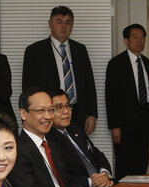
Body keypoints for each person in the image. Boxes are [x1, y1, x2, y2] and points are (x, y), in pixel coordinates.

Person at [21, 6, 97, 134]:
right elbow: (28, 88)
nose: (64, 26)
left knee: (77, 149)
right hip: (49, 113)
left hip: (76, 111)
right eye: (59, 21)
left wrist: (92, 114)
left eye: (68, 22)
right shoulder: (34, 51)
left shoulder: (80, 49)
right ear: (50, 24)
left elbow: (89, 83)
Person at [105, 23, 149, 176]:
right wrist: (115, 126)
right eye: (135, 37)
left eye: (142, 37)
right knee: (124, 162)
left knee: (142, 161)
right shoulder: (116, 64)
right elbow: (111, 97)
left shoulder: (146, 62)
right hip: (125, 122)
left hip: (145, 119)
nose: (140, 41)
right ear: (126, 40)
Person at [47, 89, 113, 187]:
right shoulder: (49, 141)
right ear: (48, 111)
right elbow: (65, 179)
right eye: (59, 107)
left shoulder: (74, 128)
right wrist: (92, 182)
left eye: (68, 106)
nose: (66, 111)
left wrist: (105, 174)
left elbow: (97, 154)